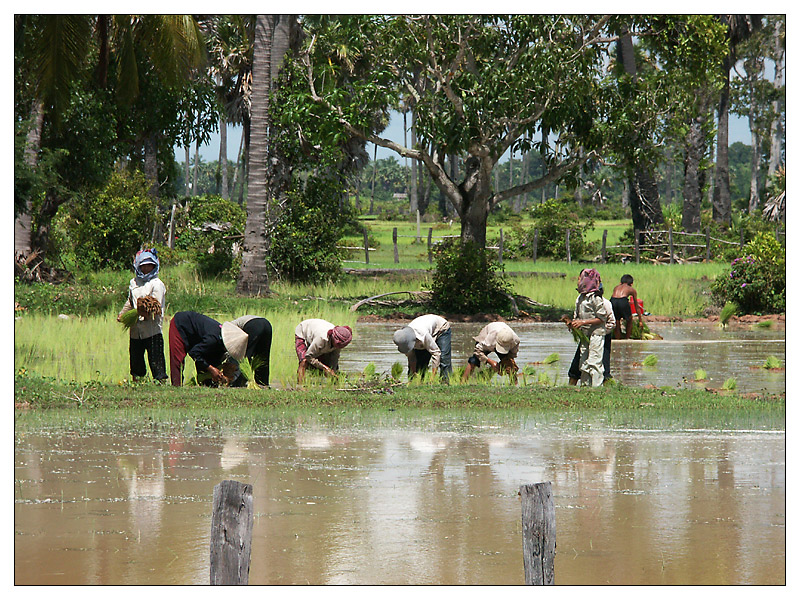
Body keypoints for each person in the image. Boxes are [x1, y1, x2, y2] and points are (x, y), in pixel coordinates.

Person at [117, 249, 167, 382]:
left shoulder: (157, 284)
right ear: (138, 266)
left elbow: (155, 306)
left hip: (152, 329)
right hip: (135, 330)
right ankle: (137, 382)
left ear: (154, 266)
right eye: (143, 266)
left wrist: (143, 312)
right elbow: (130, 301)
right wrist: (123, 313)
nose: (146, 268)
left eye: (149, 265)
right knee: (136, 358)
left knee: (156, 359)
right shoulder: (134, 283)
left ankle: (160, 383)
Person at [168, 311, 248, 387]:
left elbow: (211, 358)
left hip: (197, 335)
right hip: (180, 324)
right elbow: (194, 353)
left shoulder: (219, 342)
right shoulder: (212, 339)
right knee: (178, 360)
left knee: (210, 360)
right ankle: (176, 387)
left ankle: (207, 385)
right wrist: (211, 369)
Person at [566, 268, 610, 387]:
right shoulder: (580, 298)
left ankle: (596, 386)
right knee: (583, 361)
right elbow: (577, 317)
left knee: (594, 361)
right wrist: (573, 324)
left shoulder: (595, 298)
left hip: (596, 333)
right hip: (585, 335)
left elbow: (602, 318)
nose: (578, 281)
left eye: (580, 278)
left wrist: (583, 322)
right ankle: (585, 386)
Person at [392, 314, 452, 381]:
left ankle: (445, 382)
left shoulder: (422, 335)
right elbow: (411, 358)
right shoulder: (403, 339)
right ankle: (418, 383)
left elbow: (436, 353)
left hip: (441, 328)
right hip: (427, 331)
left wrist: (432, 378)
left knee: (443, 359)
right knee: (420, 365)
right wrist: (414, 373)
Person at [295, 319, 353, 383]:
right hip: (303, 331)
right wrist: (325, 368)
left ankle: (333, 385)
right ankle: (300, 385)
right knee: (304, 361)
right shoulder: (321, 339)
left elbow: (334, 358)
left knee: (330, 365)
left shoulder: (339, 342)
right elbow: (308, 356)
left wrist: (332, 371)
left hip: (317, 330)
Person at [225, 315, 273, 388]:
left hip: (253, 325)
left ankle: (238, 384)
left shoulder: (227, 332)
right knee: (262, 357)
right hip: (266, 324)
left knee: (245, 357)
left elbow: (234, 352)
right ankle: (263, 383)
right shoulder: (231, 325)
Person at [611, 274, 644, 339]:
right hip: (623, 301)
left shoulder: (616, 287)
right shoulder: (631, 289)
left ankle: (618, 339)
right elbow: (636, 305)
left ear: (620, 282)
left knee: (617, 321)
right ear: (631, 284)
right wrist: (640, 320)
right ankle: (627, 338)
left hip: (612, 301)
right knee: (629, 319)